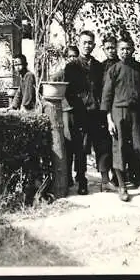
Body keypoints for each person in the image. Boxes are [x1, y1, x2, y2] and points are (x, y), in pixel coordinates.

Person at [101, 36, 140, 201]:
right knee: (119, 149)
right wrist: (109, 120)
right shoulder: (113, 70)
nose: (125, 52)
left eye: (128, 49)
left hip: (137, 114)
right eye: (121, 49)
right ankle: (122, 187)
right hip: (118, 113)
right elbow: (106, 97)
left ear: (133, 49)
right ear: (117, 50)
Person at [64, 30, 108, 195]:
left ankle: (105, 180)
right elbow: (69, 92)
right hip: (80, 113)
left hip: (96, 112)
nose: (87, 46)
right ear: (79, 43)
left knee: (101, 145)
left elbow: (102, 88)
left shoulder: (98, 66)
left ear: (94, 45)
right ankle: (82, 179)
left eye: (90, 43)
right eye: (84, 42)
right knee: (81, 148)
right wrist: (79, 106)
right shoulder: (72, 66)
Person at [51, 45, 81, 188]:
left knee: (79, 146)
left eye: (75, 56)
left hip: (79, 113)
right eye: (70, 56)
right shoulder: (59, 75)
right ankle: (67, 177)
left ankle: (80, 177)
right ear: (65, 58)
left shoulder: (81, 74)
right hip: (65, 112)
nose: (72, 59)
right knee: (67, 145)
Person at [99, 36, 120, 190]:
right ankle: (105, 179)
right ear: (103, 49)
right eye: (108, 48)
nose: (111, 50)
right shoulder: (100, 68)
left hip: (119, 108)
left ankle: (118, 177)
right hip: (103, 110)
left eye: (113, 47)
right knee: (104, 145)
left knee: (119, 143)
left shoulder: (122, 65)